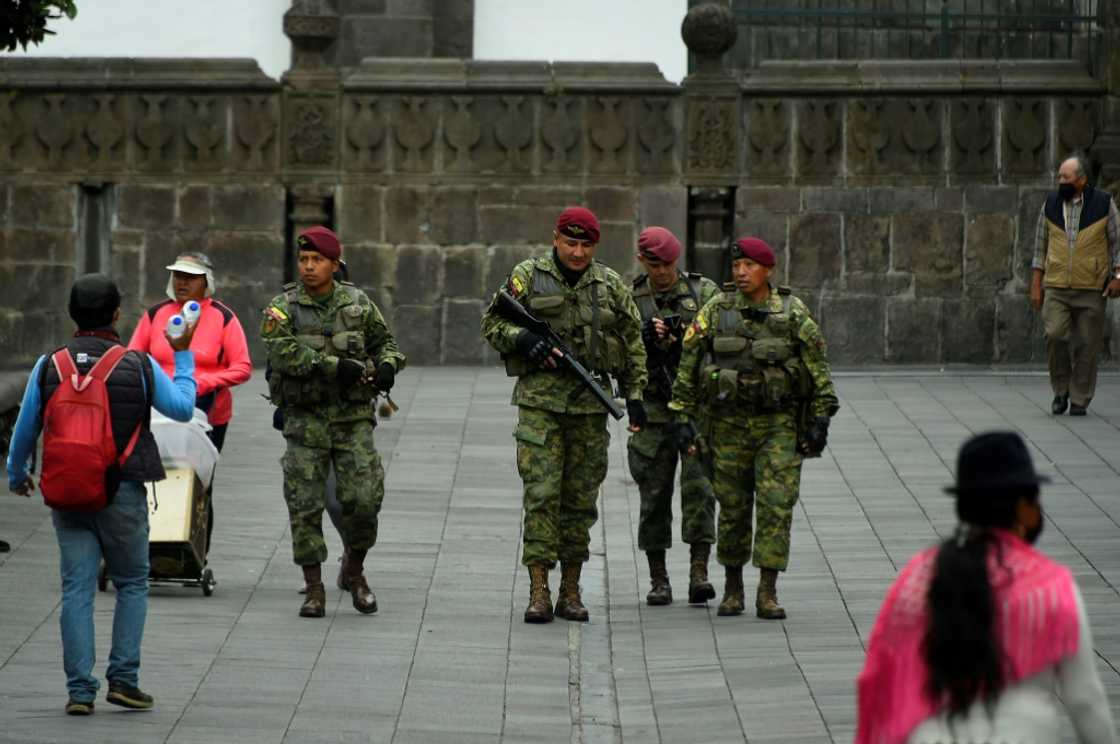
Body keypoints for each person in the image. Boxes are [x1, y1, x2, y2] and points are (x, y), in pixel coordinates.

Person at [6, 274, 197, 715]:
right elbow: (183, 408)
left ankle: (79, 691)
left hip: (68, 491)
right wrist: (183, 354)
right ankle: (124, 680)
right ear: (116, 314)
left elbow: (25, 429)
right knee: (131, 582)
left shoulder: (49, 365)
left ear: (72, 314)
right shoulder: (137, 365)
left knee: (76, 588)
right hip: (122, 490)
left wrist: (18, 474)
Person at [856, 431, 1117, 744]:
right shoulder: (1050, 585)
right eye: (1034, 499)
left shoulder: (920, 576)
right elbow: (1085, 699)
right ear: (1023, 508)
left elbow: (885, 672)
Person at [481, 206, 648, 624]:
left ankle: (570, 589)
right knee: (541, 496)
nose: (577, 252)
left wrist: (636, 395)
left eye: (585, 245)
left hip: (589, 408)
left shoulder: (609, 285)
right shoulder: (527, 276)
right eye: (570, 243)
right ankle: (538, 590)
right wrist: (523, 339)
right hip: (540, 406)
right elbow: (492, 323)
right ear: (555, 239)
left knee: (580, 502)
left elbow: (633, 342)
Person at [668, 237, 838, 619]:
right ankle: (733, 588)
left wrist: (821, 419)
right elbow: (689, 363)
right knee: (732, 505)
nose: (742, 273)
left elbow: (818, 368)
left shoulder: (791, 313)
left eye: (750, 266)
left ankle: (768, 590)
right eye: (736, 266)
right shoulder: (717, 310)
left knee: (777, 504)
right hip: (727, 426)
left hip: (778, 425)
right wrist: (681, 416)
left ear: (768, 270)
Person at [261, 226, 404, 618]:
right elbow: (282, 352)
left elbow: (387, 344)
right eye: (304, 260)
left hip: (352, 420)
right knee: (304, 504)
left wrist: (388, 366)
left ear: (335, 265)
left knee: (365, 499)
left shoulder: (357, 304)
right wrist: (331, 366)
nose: (309, 267)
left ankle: (354, 570)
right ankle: (314, 588)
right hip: (304, 422)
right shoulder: (282, 307)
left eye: (317, 260)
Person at [128, 251, 252, 552]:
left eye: (190, 278)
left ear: (206, 282)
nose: (182, 282)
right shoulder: (156, 314)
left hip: (209, 415)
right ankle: (148, 546)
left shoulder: (223, 317)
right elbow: (132, 357)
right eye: (177, 276)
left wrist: (206, 382)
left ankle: (196, 553)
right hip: (156, 411)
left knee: (199, 483)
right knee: (149, 478)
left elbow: (242, 367)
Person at [627, 226, 719, 606]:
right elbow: (619, 349)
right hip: (653, 409)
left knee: (700, 489)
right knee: (653, 493)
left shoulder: (702, 293)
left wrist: (686, 339)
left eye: (668, 264)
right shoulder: (632, 298)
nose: (662, 271)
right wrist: (644, 338)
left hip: (694, 408)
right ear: (642, 261)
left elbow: (723, 342)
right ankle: (658, 578)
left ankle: (699, 572)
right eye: (654, 264)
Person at [1030, 154, 1120, 416]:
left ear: (1081, 180)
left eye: (1065, 177)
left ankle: (1080, 397)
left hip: (1091, 287)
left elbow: (1118, 242)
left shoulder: (1103, 204)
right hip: (1056, 286)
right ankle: (1061, 389)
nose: (1060, 181)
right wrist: (1036, 284)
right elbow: (1039, 247)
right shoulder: (1050, 204)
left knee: (1087, 344)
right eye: (1059, 176)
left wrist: (1118, 277)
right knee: (1055, 334)